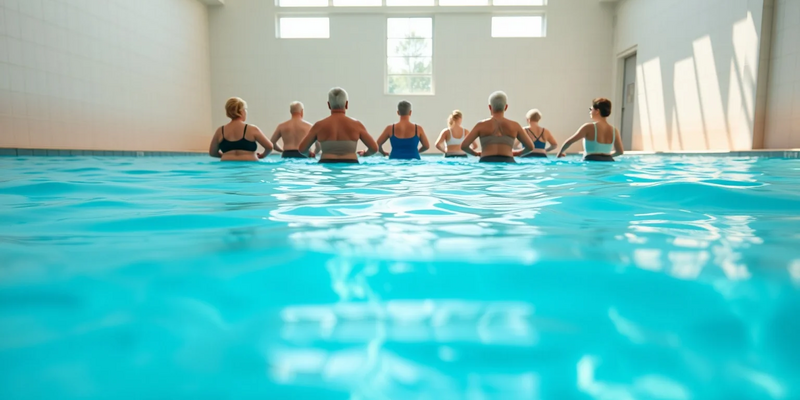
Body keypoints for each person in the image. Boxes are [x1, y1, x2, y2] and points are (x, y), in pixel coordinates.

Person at [298, 87, 378, 164]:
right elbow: (374, 148)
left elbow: (302, 149)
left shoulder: (319, 125)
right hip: (351, 164)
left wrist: (309, 154)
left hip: (326, 163)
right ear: (346, 104)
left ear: (329, 105)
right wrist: (365, 154)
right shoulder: (357, 125)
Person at [460, 91, 535, 163]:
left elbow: (464, 146)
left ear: (490, 107)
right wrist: (517, 153)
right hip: (508, 161)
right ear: (506, 107)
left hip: (486, 161)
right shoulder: (515, 126)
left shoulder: (480, 125)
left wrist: (476, 154)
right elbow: (530, 147)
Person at [557, 98, 624, 162]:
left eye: (591, 109)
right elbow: (620, 152)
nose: (590, 112)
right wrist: (606, 157)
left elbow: (569, 141)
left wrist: (560, 153)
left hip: (591, 160)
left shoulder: (588, 127)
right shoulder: (614, 130)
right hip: (608, 161)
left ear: (597, 111)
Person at [208, 97, 273, 161]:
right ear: (241, 111)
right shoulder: (252, 129)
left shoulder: (220, 131)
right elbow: (269, 147)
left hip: (227, 167)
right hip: (250, 167)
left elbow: (212, 153)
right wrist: (263, 155)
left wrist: (226, 155)